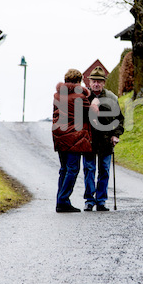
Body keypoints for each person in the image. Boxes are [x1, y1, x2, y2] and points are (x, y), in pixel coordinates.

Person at [82, 66, 124, 212]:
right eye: (94, 81)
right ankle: (89, 200)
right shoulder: (84, 97)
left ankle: (101, 201)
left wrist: (116, 135)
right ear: (89, 81)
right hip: (89, 141)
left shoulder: (112, 98)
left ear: (104, 83)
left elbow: (119, 119)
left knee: (104, 170)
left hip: (106, 141)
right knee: (89, 169)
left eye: (99, 81)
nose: (96, 84)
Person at [52, 69, 93, 213]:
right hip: (74, 137)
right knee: (73, 169)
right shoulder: (80, 97)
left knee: (64, 169)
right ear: (79, 81)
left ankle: (60, 200)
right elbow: (90, 115)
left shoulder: (57, 95)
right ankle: (63, 200)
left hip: (59, 135)